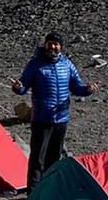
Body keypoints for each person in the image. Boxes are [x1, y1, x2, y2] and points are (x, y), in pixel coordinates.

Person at [10, 30, 100, 189]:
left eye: (56, 44)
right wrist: (18, 87)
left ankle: (50, 189)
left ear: (61, 47)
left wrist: (88, 90)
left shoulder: (67, 64)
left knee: (54, 157)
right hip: (41, 119)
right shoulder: (35, 64)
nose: (52, 47)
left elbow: (77, 87)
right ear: (45, 45)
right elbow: (23, 87)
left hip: (61, 119)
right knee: (38, 157)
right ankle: (33, 191)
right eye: (49, 43)